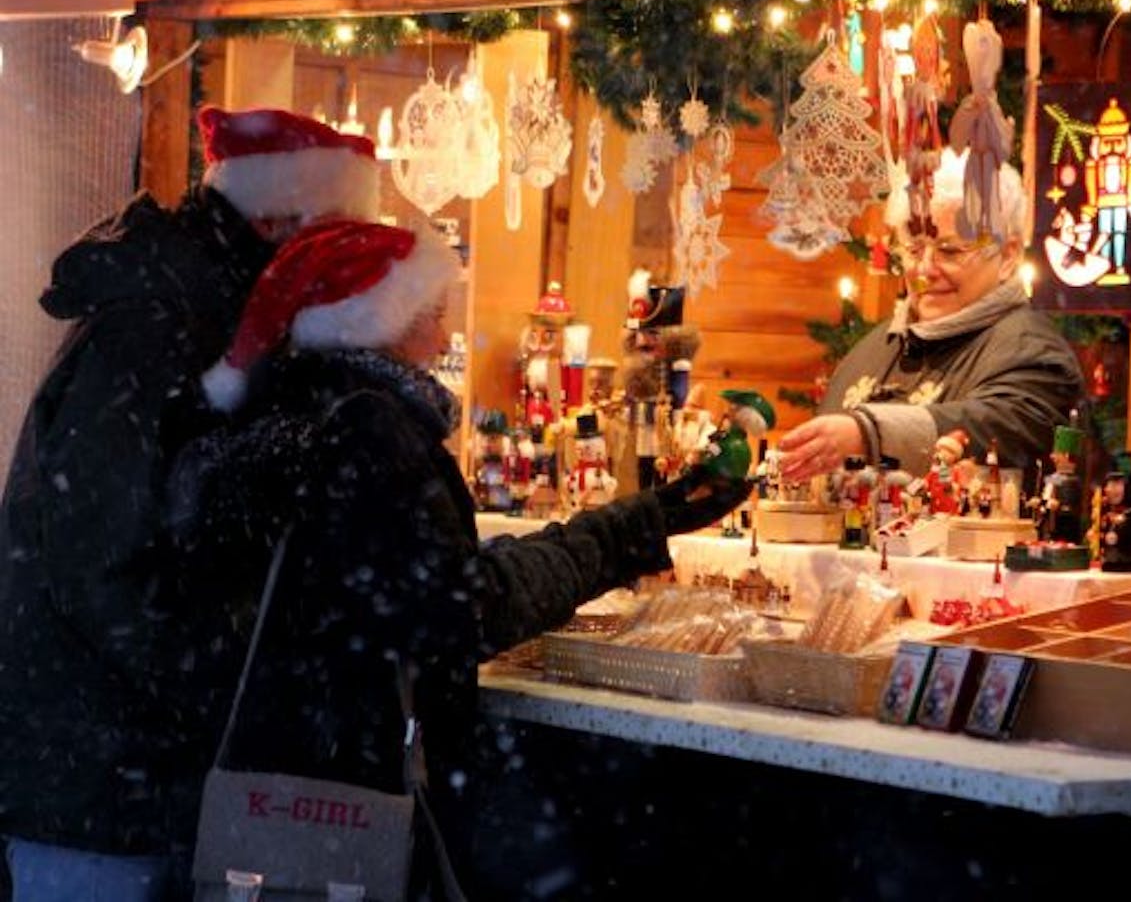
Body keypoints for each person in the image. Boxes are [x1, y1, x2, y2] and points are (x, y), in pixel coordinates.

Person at [167, 219, 751, 899]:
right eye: (435, 315)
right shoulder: (367, 431)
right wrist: (628, 531)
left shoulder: (271, 419)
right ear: (380, 321)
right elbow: (460, 610)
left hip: (256, 786)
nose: (444, 339)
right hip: (348, 793)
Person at [0, 105, 383, 899]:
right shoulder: (161, 326)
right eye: (329, 243)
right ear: (281, 219)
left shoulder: (198, 309)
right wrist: (222, 683)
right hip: (98, 783)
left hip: (115, 772)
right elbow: (99, 563)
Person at [779, 148, 1083, 483]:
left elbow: (1002, 424)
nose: (924, 270)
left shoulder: (1035, 353)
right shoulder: (871, 349)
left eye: (949, 251)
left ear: (1008, 255)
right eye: (913, 249)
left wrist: (869, 434)